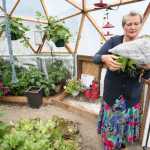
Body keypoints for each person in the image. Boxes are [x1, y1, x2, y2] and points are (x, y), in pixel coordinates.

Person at [93, 11, 150, 150]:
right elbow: (95, 57)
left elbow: (146, 76)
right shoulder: (114, 41)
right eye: (128, 24)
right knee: (111, 128)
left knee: (124, 127)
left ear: (140, 25)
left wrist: (148, 67)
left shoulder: (145, 45)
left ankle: (121, 144)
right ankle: (110, 146)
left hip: (131, 96)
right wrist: (104, 58)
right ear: (124, 26)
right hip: (113, 95)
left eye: (136, 23)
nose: (132, 27)